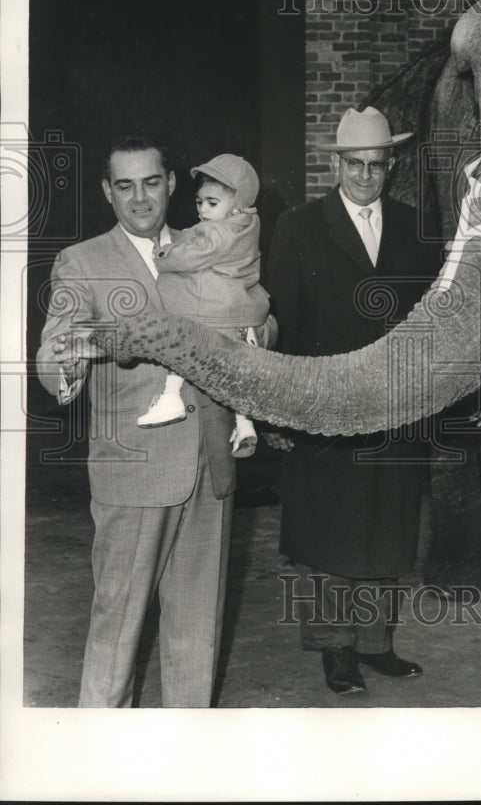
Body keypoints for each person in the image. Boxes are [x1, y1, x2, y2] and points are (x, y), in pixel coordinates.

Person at [36, 136, 238, 707]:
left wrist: (255, 333)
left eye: (151, 182)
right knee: (116, 633)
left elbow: (255, 312)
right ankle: (100, 767)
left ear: (171, 183)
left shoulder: (211, 243)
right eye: (125, 185)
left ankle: (184, 769)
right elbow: (57, 351)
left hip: (209, 467)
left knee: (197, 634)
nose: (140, 197)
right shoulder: (83, 261)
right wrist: (69, 361)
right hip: (132, 476)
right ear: (108, 192)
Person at [266, 106, 440, 695]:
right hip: (322, 404)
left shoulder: (417, 230)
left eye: (376, 164)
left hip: (395, 406)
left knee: (387, 523)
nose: (366, 175)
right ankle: (334, 649)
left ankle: (376, 644)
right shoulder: (299, 226)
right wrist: (276, 409)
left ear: (389, 166)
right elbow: (279, 324)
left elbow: (432, 324)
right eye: (355, 164)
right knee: (328, 530)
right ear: (337, 164)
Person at [137, 154, 278, 460]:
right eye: (200, 202)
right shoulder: (250, 223)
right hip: (240, 313)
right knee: (236, 377)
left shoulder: (215, 231)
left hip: (211, 311)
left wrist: (163, 254)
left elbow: (189, 256)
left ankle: (171, 396)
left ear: (237, 202)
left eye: (212, 203)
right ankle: (244, 423)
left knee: (180, 344)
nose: (202, 210)